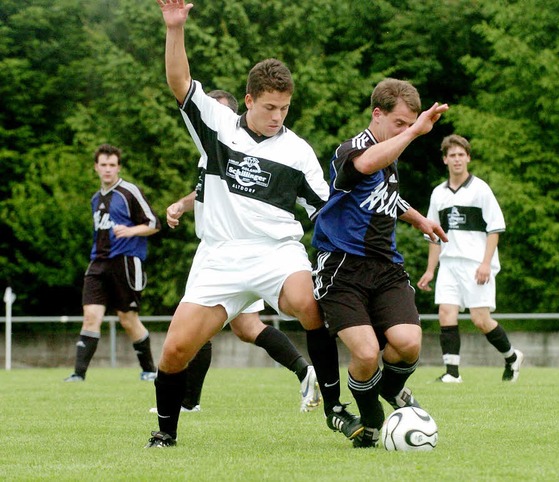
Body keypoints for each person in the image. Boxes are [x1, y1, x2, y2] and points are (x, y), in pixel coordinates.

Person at [148, 0, 350, 448]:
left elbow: (329, 208)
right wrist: (175, 28)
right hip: (219, 255)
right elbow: (179, 82)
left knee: (309, 303)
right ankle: (165, 434)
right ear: (249, 100)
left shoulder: (298, 151)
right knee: (175, 350)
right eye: (271, 107)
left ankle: (335, 407)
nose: (278, 116)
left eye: (285, 108)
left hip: (276, 252)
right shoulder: (218, 127)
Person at [153, 89, 321, 414]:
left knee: (200, 328)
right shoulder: (209, 154)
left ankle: (188, 402)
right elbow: (202, 190)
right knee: (245, 328)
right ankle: (304, 370)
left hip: (240, 252)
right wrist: (182, 205)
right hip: (222, 251)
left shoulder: (244, 146)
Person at [312, 78, 449, 448]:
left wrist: (419, 218)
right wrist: (416, 133)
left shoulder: (390, 158)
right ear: (378, 114)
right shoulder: (352, 149)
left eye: (410, 124)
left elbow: (384, 196)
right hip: (342, 267)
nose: (406, 130)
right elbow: (366, 165)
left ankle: (391, 389)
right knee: (367, 352)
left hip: (385, 266)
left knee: (408, 342)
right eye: (400, 123)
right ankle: (371, 419)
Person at [417, 134, 524, 383]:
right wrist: (430, 270)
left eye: (461, 155)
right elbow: (434, 236)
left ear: (468, 158)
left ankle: (511, 357)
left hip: (476, 264)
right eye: (452, 155)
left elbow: (495, 228)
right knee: (446, 312)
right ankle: (452, 373)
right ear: (445, 160)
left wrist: (486, 263)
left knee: (480, 320)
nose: (457, 159)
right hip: (449, 264)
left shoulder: (480, 189)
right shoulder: (438, 194)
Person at [64, 144, 161, 382]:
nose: (108, 169)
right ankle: (78, 375)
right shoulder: (95, 198)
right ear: (96, 167)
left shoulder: (129, 192)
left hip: (125, 263)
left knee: (128, 320)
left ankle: (149, 370)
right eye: (103, 165)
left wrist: (129, 231)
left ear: (118, 167)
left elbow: (154, 224)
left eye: (112, 165)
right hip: (98, 264)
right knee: (91, 317)